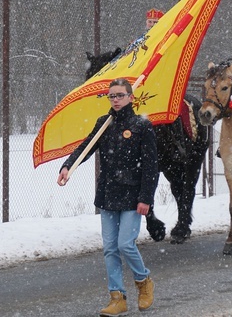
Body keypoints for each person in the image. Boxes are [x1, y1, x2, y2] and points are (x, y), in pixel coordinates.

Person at [57, 78, 157, 316]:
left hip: (133, 196)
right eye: (112, 96)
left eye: (120, 95)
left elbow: (151, 166)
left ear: (131, 97)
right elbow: (86, 147)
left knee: (125, 244)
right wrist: (67, 166)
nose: (115, 100)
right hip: (108, 194)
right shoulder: (104, 123)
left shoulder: (142, 125)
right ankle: (117, 297)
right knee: (110, 248)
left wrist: (146, 198)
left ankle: (144, 282)